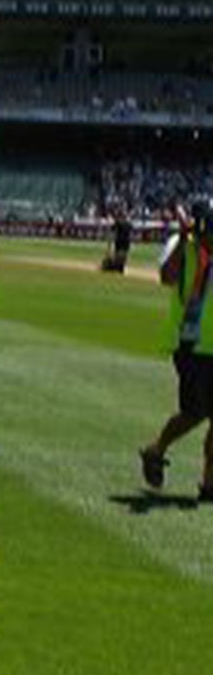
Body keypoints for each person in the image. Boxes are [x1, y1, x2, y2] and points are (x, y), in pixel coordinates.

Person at [138, 198, 213, 500]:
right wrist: (184, 239)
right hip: (191, 345)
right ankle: (156, 449)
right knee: (195, 412)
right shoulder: (184, 245)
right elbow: (167, 276)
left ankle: (209, 484)